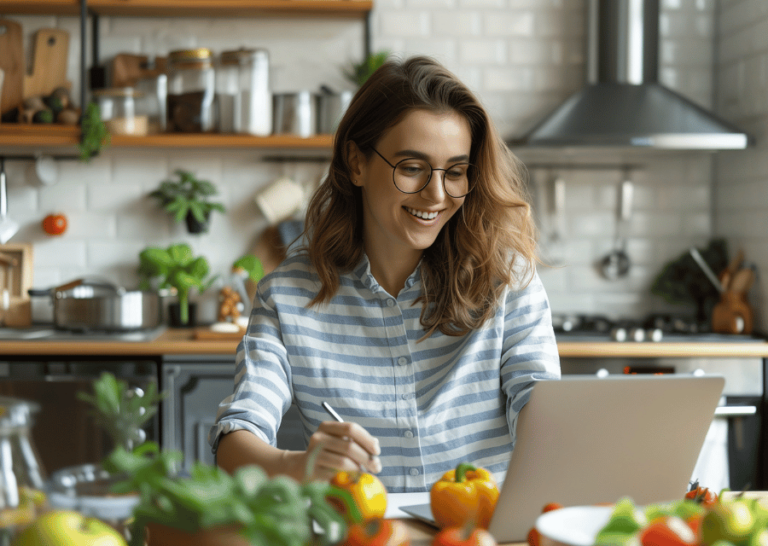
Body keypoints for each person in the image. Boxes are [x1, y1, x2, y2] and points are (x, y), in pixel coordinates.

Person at [209, 55, 560, 493]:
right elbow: (238, 434)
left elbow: (543, 410)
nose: (436, 195)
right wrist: (297, 466)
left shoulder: (508, 280)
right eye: (411, 168)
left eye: (455, 172)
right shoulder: (288, 295)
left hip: (481, 533)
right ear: (357, 162)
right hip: (363, 533)